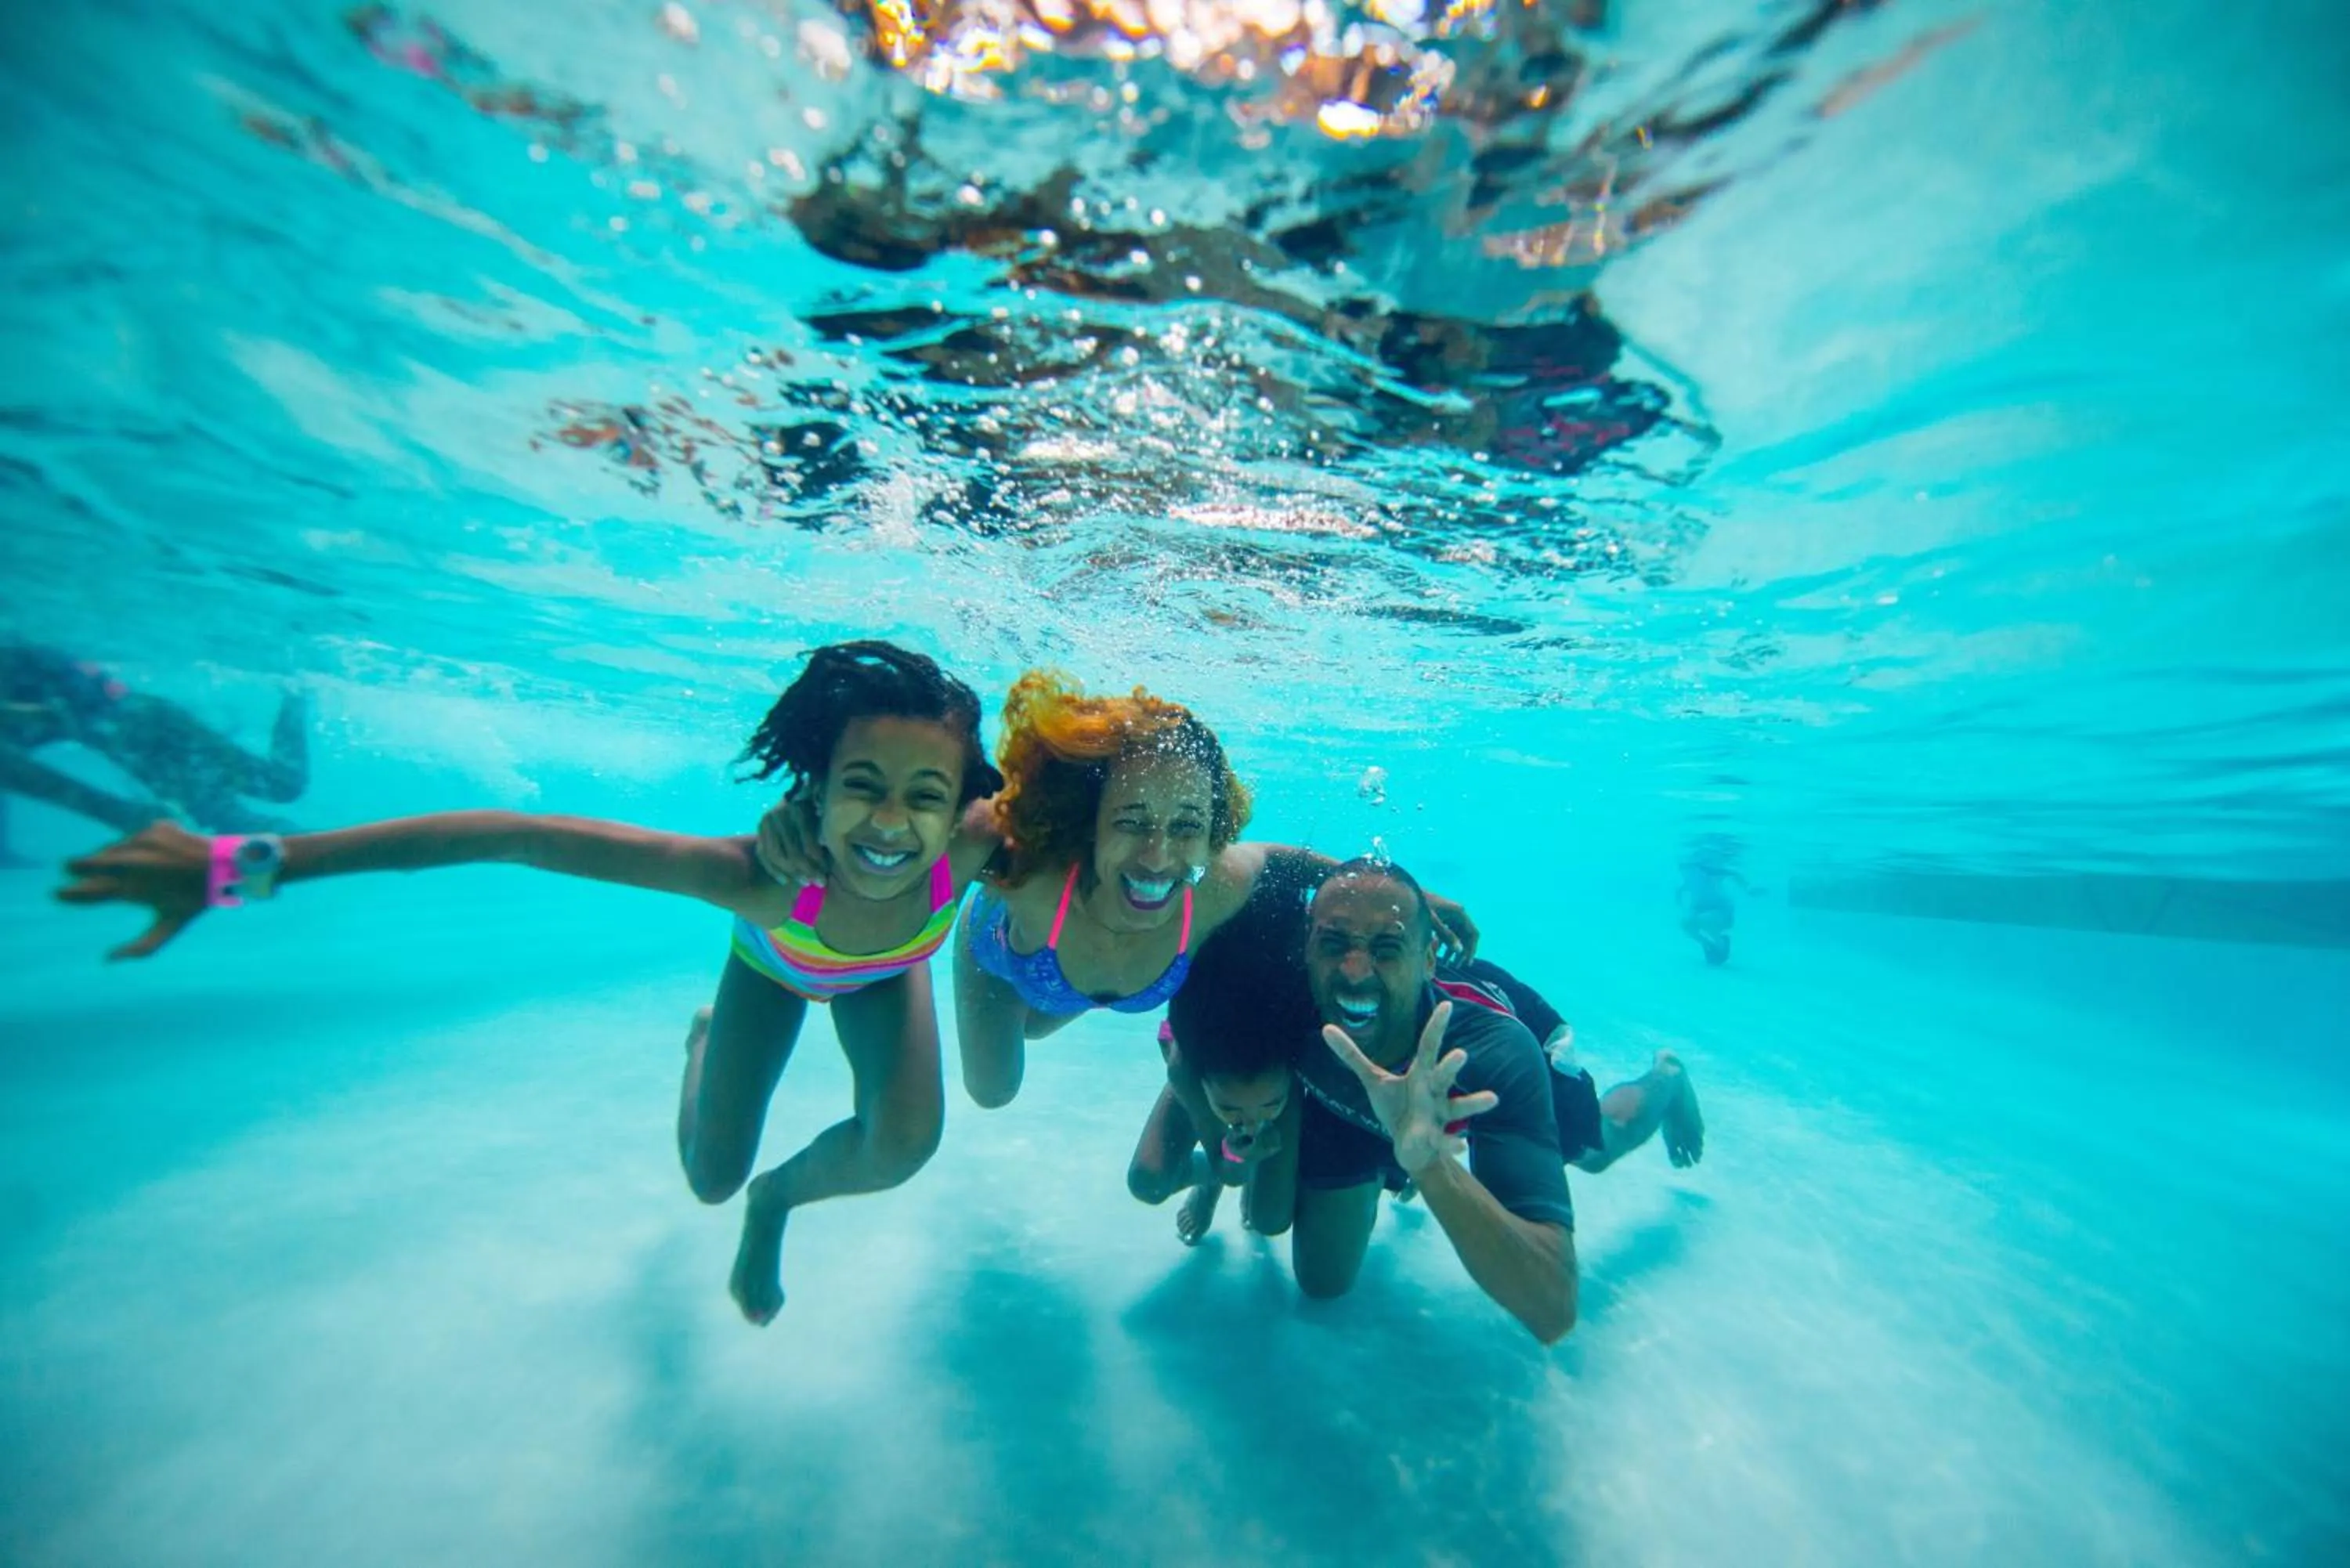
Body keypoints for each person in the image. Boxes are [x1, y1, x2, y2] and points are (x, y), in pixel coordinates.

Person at [52, 641, 1004, 1327]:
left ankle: (777, 1204)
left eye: (924, 793)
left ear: (961, 802)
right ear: (817, 782)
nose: (889, 821)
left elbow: (1106, 786)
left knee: (904, 1144)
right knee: (709, 1176)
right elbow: (507, 834)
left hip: (886, 979)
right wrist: (235, 866)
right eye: (860, 783)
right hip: (775, 961)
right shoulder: (757, 875)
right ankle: (704, 1045)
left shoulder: (975, 845)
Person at [938, 672, 1478, 1110]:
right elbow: (967, 831)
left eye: (1187, 827)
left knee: (1036, 1024)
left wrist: (1405, 893)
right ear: (1089, 821)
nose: (1159, 857)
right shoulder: (1033, 875)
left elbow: (1278, 859)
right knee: (993, 1092)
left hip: (1085, 983)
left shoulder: (1214, 887)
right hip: (1007, 959)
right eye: (1131, 822)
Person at [2, 641, 309, 867]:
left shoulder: (14, 657)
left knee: (281, 786)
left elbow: (60, 714)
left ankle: (296, 690)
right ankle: (310, 850)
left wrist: (116, 811)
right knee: (224, 816)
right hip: (132, 738)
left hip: (156, 727)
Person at [1677, 834, 1753, 966]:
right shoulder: (1690, 867)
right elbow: (1690, 883)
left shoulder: (1709, 869)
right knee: (1685, 925)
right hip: (1699, 907)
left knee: (1703, 921)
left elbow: (1733, 874)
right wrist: (1679, 893)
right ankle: (1709, 945)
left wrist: (1748, 888)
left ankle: (1720, 945)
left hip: (1720, 908)